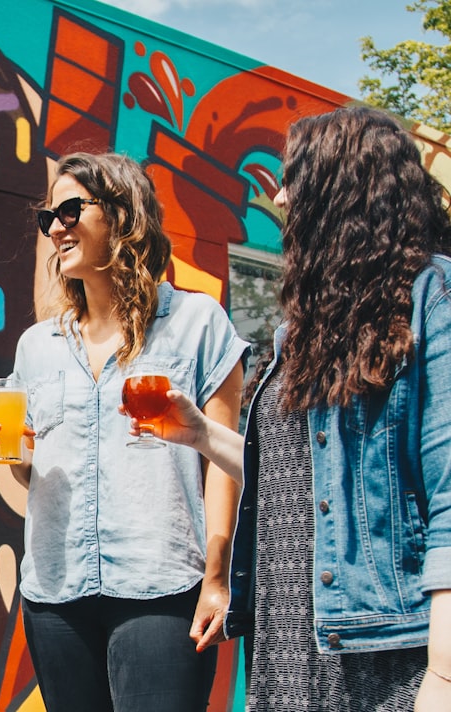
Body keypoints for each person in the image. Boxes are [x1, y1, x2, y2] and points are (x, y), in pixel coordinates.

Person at [126, 106, 451, 712]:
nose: (278, 196)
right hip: (287, 645)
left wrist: (445, 677)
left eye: (293, 179)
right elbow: (292, 484)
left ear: (342, 187)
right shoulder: (299, 333)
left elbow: (449, 498)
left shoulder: (432, 300)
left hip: (382, 653)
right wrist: (199, 434)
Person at [0, 152, 249, 711]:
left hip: (163, 586)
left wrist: (217, 578)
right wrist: (15, 457)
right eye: (48, 216)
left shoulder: (198, 324)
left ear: (124, 215)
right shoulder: (36, 346)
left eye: (72, 208)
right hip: (55, 592)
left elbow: (225, 466)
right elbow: (39, 474)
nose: (56, 226)